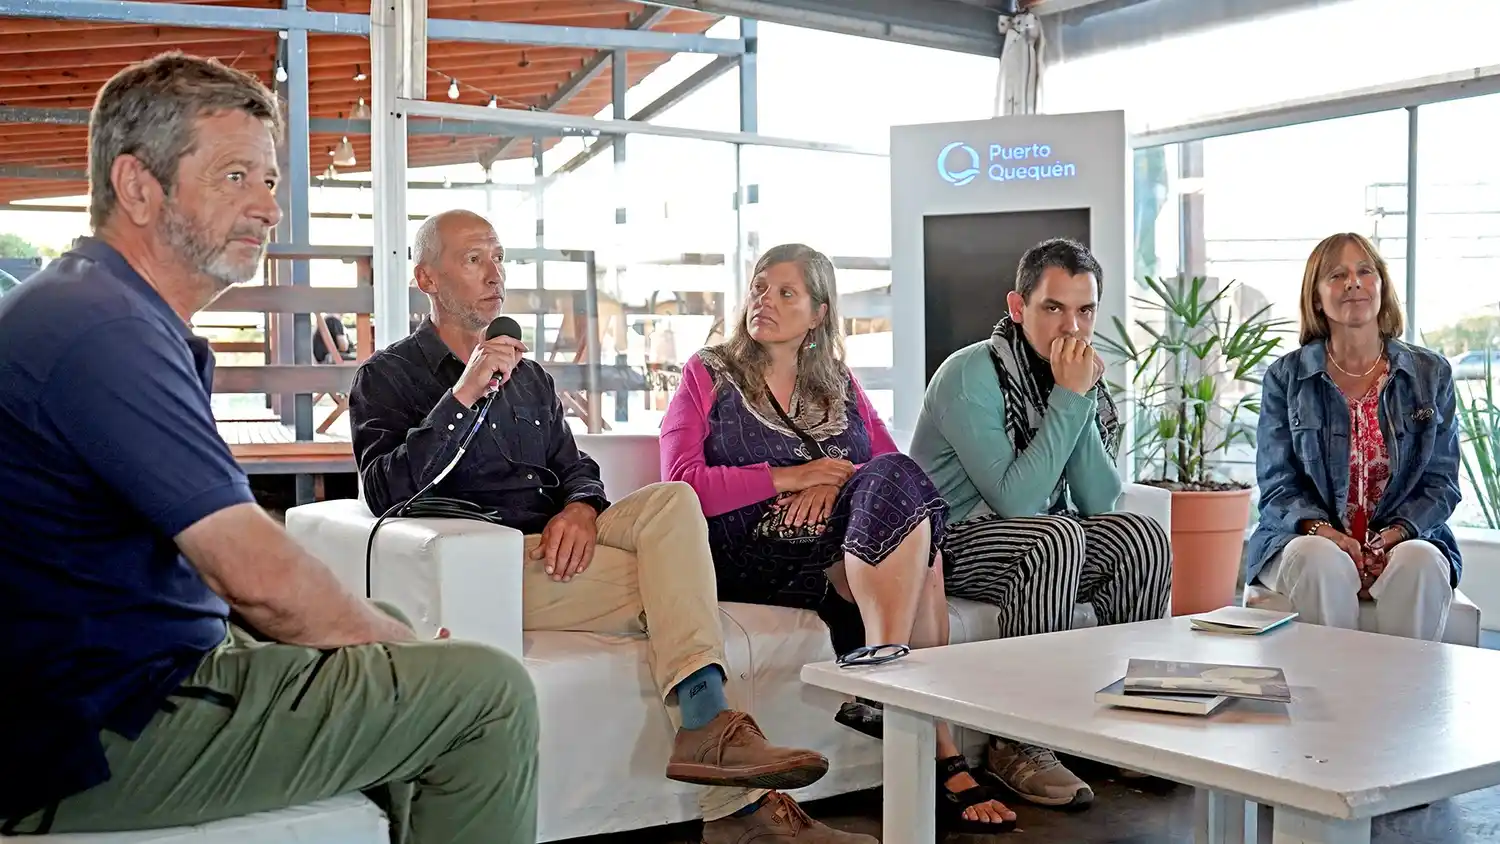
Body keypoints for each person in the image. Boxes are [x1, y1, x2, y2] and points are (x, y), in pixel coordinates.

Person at [0, 53, 538, 843]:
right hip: (87, 735)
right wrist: (404, 646)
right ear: (138, 186)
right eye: (233, 178)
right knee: (487, 693)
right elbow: (254, 574)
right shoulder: (103, 328)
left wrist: (385, 635)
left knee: (383, 626)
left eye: (270, 180)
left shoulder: (103, 305)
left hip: (111, 682)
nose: (266, 207)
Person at [349, 210, 860, 844]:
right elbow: (382, 491)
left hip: (562, 549)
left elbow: (576, 467)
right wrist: (462, 395)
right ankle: (740, 800)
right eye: (475, 258)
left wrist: (581, 508)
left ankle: (715, 746)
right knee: (672, 584)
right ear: (427, 276)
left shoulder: (530, 376)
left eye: (499, 257)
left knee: (673, 500)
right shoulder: (387, 377)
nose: (495, 273)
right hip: (494, 565)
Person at [661, 243, 1018, 835]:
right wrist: (791, 477)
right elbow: (679, 487)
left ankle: (885, 681)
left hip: (833, 557)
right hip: (742, 549)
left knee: (903, 493)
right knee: (919, 549)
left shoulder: (839, 383)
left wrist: (835, 481)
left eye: (785, 293)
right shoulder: (708, 372)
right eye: (758, 288)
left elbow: (894, 469)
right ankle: (941, 750)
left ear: (819, 312)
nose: (764, 302)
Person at [909, 237, 1172, 809]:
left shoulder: (1075, 374)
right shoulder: (969, 374)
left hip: (1035, 537)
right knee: (1054, 535)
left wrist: (1073, 397)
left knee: (1142, 538)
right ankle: (1019, 742)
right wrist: (1070, 400)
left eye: (1085, 310)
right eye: (1053, 308)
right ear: (1017, 306)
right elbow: (1019, 503)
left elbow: (1101, 499)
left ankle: (1122, 722)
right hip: (947, 543)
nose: (1070, 326)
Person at [1247, 232, 1459, 641]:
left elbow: (1441, 483)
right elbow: (1277, 486)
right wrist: (1328, 534)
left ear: (1381, 286)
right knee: (1319, 560)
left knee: (1420, 563)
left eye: (1365, 271)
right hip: (1306, 538)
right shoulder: (1285, 378)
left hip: (1405, 537)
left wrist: (1392, 537)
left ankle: (1404, 698)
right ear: (1316, 297)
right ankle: (1332, 699)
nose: (1353, 283)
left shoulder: (1431, 375)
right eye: (1337, 275)